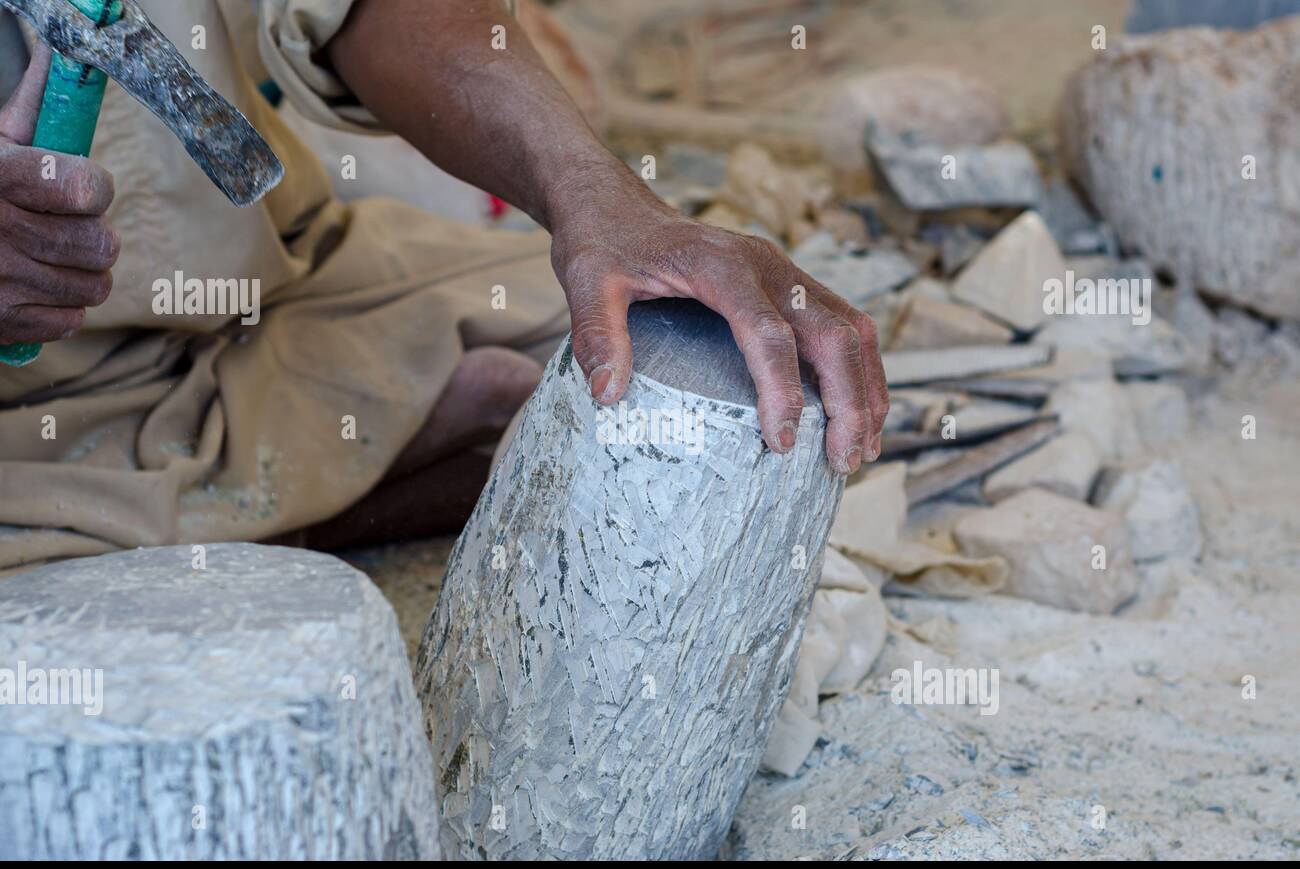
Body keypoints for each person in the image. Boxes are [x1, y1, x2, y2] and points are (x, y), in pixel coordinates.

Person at [0, 0, 887, 569]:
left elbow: (359, 7)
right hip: (32, 412)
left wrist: (596, 194)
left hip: (287, 281)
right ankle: (340, 490)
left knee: (698, 336)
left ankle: (357, 457)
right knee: (88, 581)